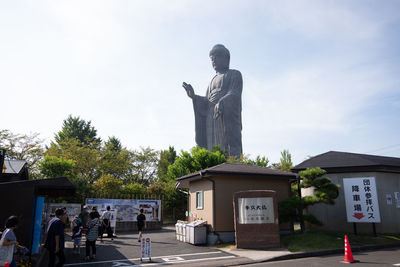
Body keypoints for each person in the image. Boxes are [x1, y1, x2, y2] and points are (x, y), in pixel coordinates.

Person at [183, 44, 243, 157]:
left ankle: (231, 163)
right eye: (212, 59)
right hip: (211, 116)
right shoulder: (212, 81)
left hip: (225, 114)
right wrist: (194, 97)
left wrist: (222, 102)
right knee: (212, 146)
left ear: (226, 58)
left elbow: (235, 93)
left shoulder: (234, 74)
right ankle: (214, 163)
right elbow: (207, 101)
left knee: (226, 145)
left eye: (217, 57)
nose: (214, 61)